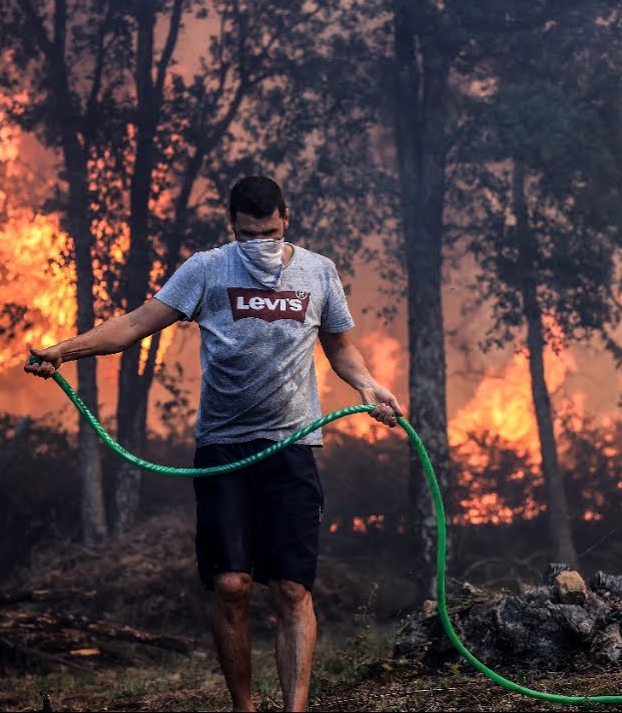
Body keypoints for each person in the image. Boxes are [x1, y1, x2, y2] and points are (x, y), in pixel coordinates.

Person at [23, 175, 402, 712]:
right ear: (233, 226)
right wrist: (64, 350)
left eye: (269, 233)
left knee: (292, 589)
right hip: (223, 448)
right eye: (249, 235)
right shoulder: (206, 268)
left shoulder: (318, 271)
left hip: (292, 445)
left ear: (285, 217)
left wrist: (368, 386)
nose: (260, 245)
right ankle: (243, 708)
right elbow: (134, 325)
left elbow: (341, 349)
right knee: (230, 585)